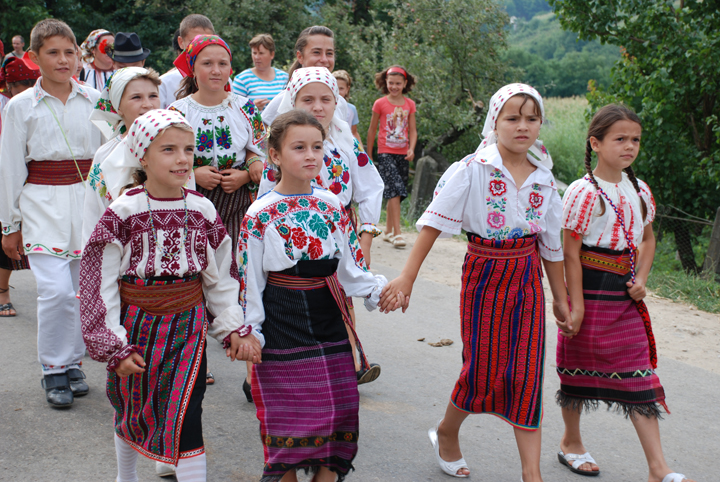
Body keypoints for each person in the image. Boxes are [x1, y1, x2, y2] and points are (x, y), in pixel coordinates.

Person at [380, 84, 568, 482]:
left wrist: (560, 297)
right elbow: (432, 224)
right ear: (494, 122)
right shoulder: (472, 169)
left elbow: (552, 246)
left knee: (526, 372)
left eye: (532, 119)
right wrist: (407, 276)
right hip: (485, 275)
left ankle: (531, 474)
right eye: (512, 118)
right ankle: (447, 432)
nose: (523, 127)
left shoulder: (546, 178)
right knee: (483, 369)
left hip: (527, 280)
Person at [80, 109, 261, 482]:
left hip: (188, 327)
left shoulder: (202, 209)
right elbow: (99, 281)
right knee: (132, 406)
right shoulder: (123, 211)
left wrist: (230, 326)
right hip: (137, 327)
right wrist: (113, 344)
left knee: (188, 414)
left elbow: (221, 276)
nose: (182, 159)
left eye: (188, 150)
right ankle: (125, 477)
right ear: (142, 156)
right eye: (168, 150)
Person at [241, 109, 399, 482]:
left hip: (328, 317)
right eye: (299, 147)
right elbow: (249, 282)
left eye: (317, 146)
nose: (311, 155)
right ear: (275, 156)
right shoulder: (259, 214)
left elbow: (351, 269)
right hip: (282, 320)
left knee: (340, 414)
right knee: (288, 424)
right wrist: (250, 331)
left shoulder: (331, 205)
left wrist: (380, 290)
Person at [555, 104, 695, 482]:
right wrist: (576, 305)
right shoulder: (583, 193)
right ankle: (571, 442)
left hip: (624, 297)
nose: (629, 146)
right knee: (575, 372)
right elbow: (570, 251)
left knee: (640, 376)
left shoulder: (640, 190)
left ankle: (658, 469)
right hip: (588, 290)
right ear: (596, 143)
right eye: (620, 139)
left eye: (635, 139)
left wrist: (642, 279)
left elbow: (647, 240)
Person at [0, 19, 103, 407]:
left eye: (69, 52)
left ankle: (72, 362)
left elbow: (110, 155)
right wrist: (9, 224)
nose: (63, 60)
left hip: (87, 203)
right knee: (55, 291)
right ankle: (52, 368)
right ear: (34, 57)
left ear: (79, 55)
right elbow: (10, 167)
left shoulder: (96, 99)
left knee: (80, 290)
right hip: (41, 204)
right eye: (53, 52)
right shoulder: (21, 106)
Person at [258, 67, 384, 384]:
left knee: (341, 295)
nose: (318, 107)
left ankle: (348, 362)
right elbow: (265, 202)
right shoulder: (283, 149)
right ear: (292, 101)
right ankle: (271, 368)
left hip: (338, 236)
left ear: (336, 102)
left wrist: (366, 236)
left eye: (326, 99)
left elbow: (370, 188)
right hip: (292, 241)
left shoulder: (348, 145)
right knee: (294, 303)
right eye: (308, 99)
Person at [83, 67, 165, 248]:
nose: (148, 104)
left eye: (153, 96)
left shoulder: (174, 146)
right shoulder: (106, 154)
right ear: (118, 107)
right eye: (136, 97)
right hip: (122, 247)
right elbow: (94, 210)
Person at [0, 56, 40, 317]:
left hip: (33, 173)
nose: (24, 89)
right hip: (6, 170)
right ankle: (2, 290)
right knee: (7, 230)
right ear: (8, 86)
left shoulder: (36, 101)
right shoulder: (9, 105)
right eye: (20, 84)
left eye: (29, 83)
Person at [366, 65, 417, 249]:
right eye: (391, 83)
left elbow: (412, 130)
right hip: (385, 152)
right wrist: (369, 155)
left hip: (403, 154)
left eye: (398, 83)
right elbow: (372, 130)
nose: (394, 86)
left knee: (397, 194)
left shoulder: (410, 104)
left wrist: (411, 148)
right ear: (385, 83)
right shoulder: (380, 103)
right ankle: (397, 234)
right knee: (395, 190)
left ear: (404, 84)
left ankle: (387, 231)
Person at [261, 26, 347, 126]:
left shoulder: (341, 103)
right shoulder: (283, 101)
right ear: (300, 57)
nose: (324, 59)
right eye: (316, 52)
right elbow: (260, 137)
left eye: (329, 53)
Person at [159, 15, 215, 109]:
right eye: (194, 42)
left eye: (207, 42)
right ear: (181, 42)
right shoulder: (165, 83)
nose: (200, 48)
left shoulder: (221, 79)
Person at [231, 34, 288, 112]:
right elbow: (233, 109)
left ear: (272, 54)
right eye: (254, 53)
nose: (257, 57)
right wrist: (251, 107)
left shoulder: (284, 78)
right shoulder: (242, 79)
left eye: (261, 53)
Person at [332, 70, 363, 149]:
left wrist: (361, 149)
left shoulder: (352, 109)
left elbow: (354, 132)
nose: (337, 92)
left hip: (347, 145)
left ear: (347, 89)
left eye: (341, 88)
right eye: (335, 88)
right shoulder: (325, 108)